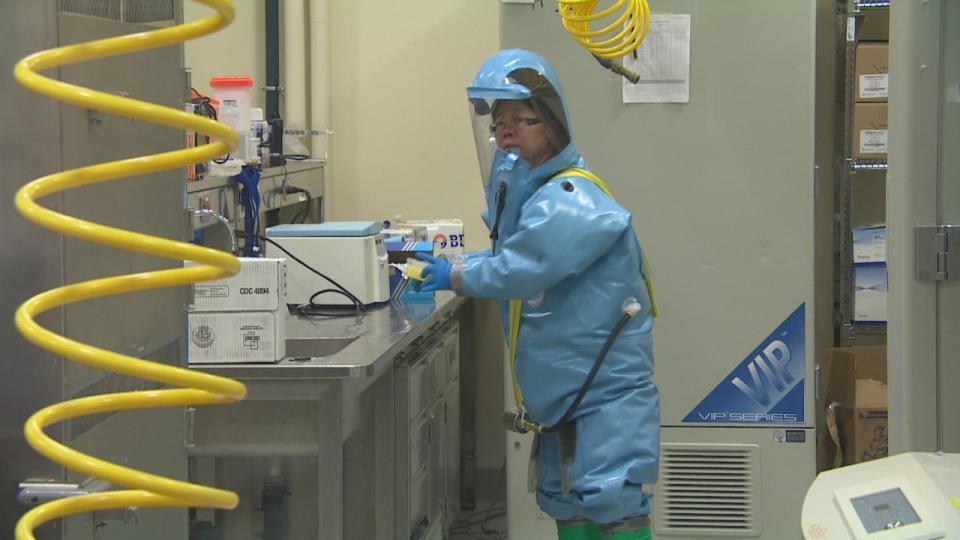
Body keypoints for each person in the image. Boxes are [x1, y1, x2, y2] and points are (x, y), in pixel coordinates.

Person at [416, 49, 660, 540]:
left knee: (611, 504)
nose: (506, 134)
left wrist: (453, 276)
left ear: (550, 123)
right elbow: (515, 256)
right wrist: (454, 265)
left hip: (601, 398)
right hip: (568, 395)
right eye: (499, 123)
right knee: (567, 503)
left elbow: (521, 270)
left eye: (520, 121)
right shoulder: (543, 198)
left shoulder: (571, 201)